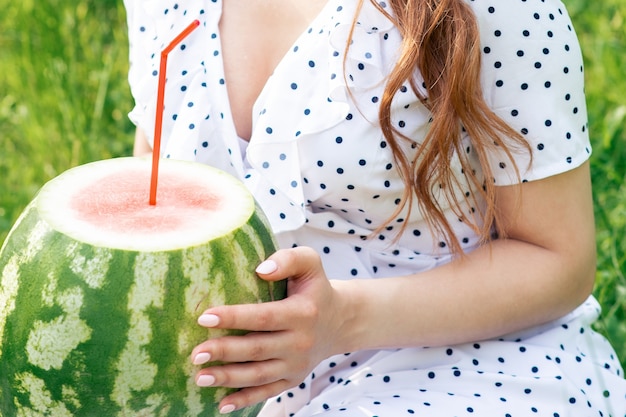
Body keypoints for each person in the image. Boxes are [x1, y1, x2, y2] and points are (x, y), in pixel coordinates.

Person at [123, 0, 626, 415]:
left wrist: (341, 321)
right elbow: (160, 189)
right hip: (243, 384)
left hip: (470, 359)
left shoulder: (502, 9)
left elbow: (560, 260)